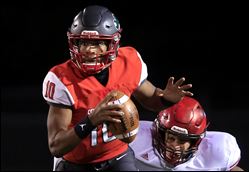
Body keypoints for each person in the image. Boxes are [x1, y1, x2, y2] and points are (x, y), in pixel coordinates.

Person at [42, 5, 193, 171]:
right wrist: (90, 121)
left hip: (117, 156)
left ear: (112, 44)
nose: (88, 50)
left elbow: (150, 100)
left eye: (98, 43)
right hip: (76, 163)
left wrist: (165, 99)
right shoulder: (62, 78)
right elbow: (56, 146)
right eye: (83, 42)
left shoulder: (128, 62)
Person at [129, 97, 243, 171]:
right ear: (160, 133)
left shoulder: (218, 151)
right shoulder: (137, 137)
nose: (174, 146)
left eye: (182, 140)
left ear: (196, 141)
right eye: (171, 137)